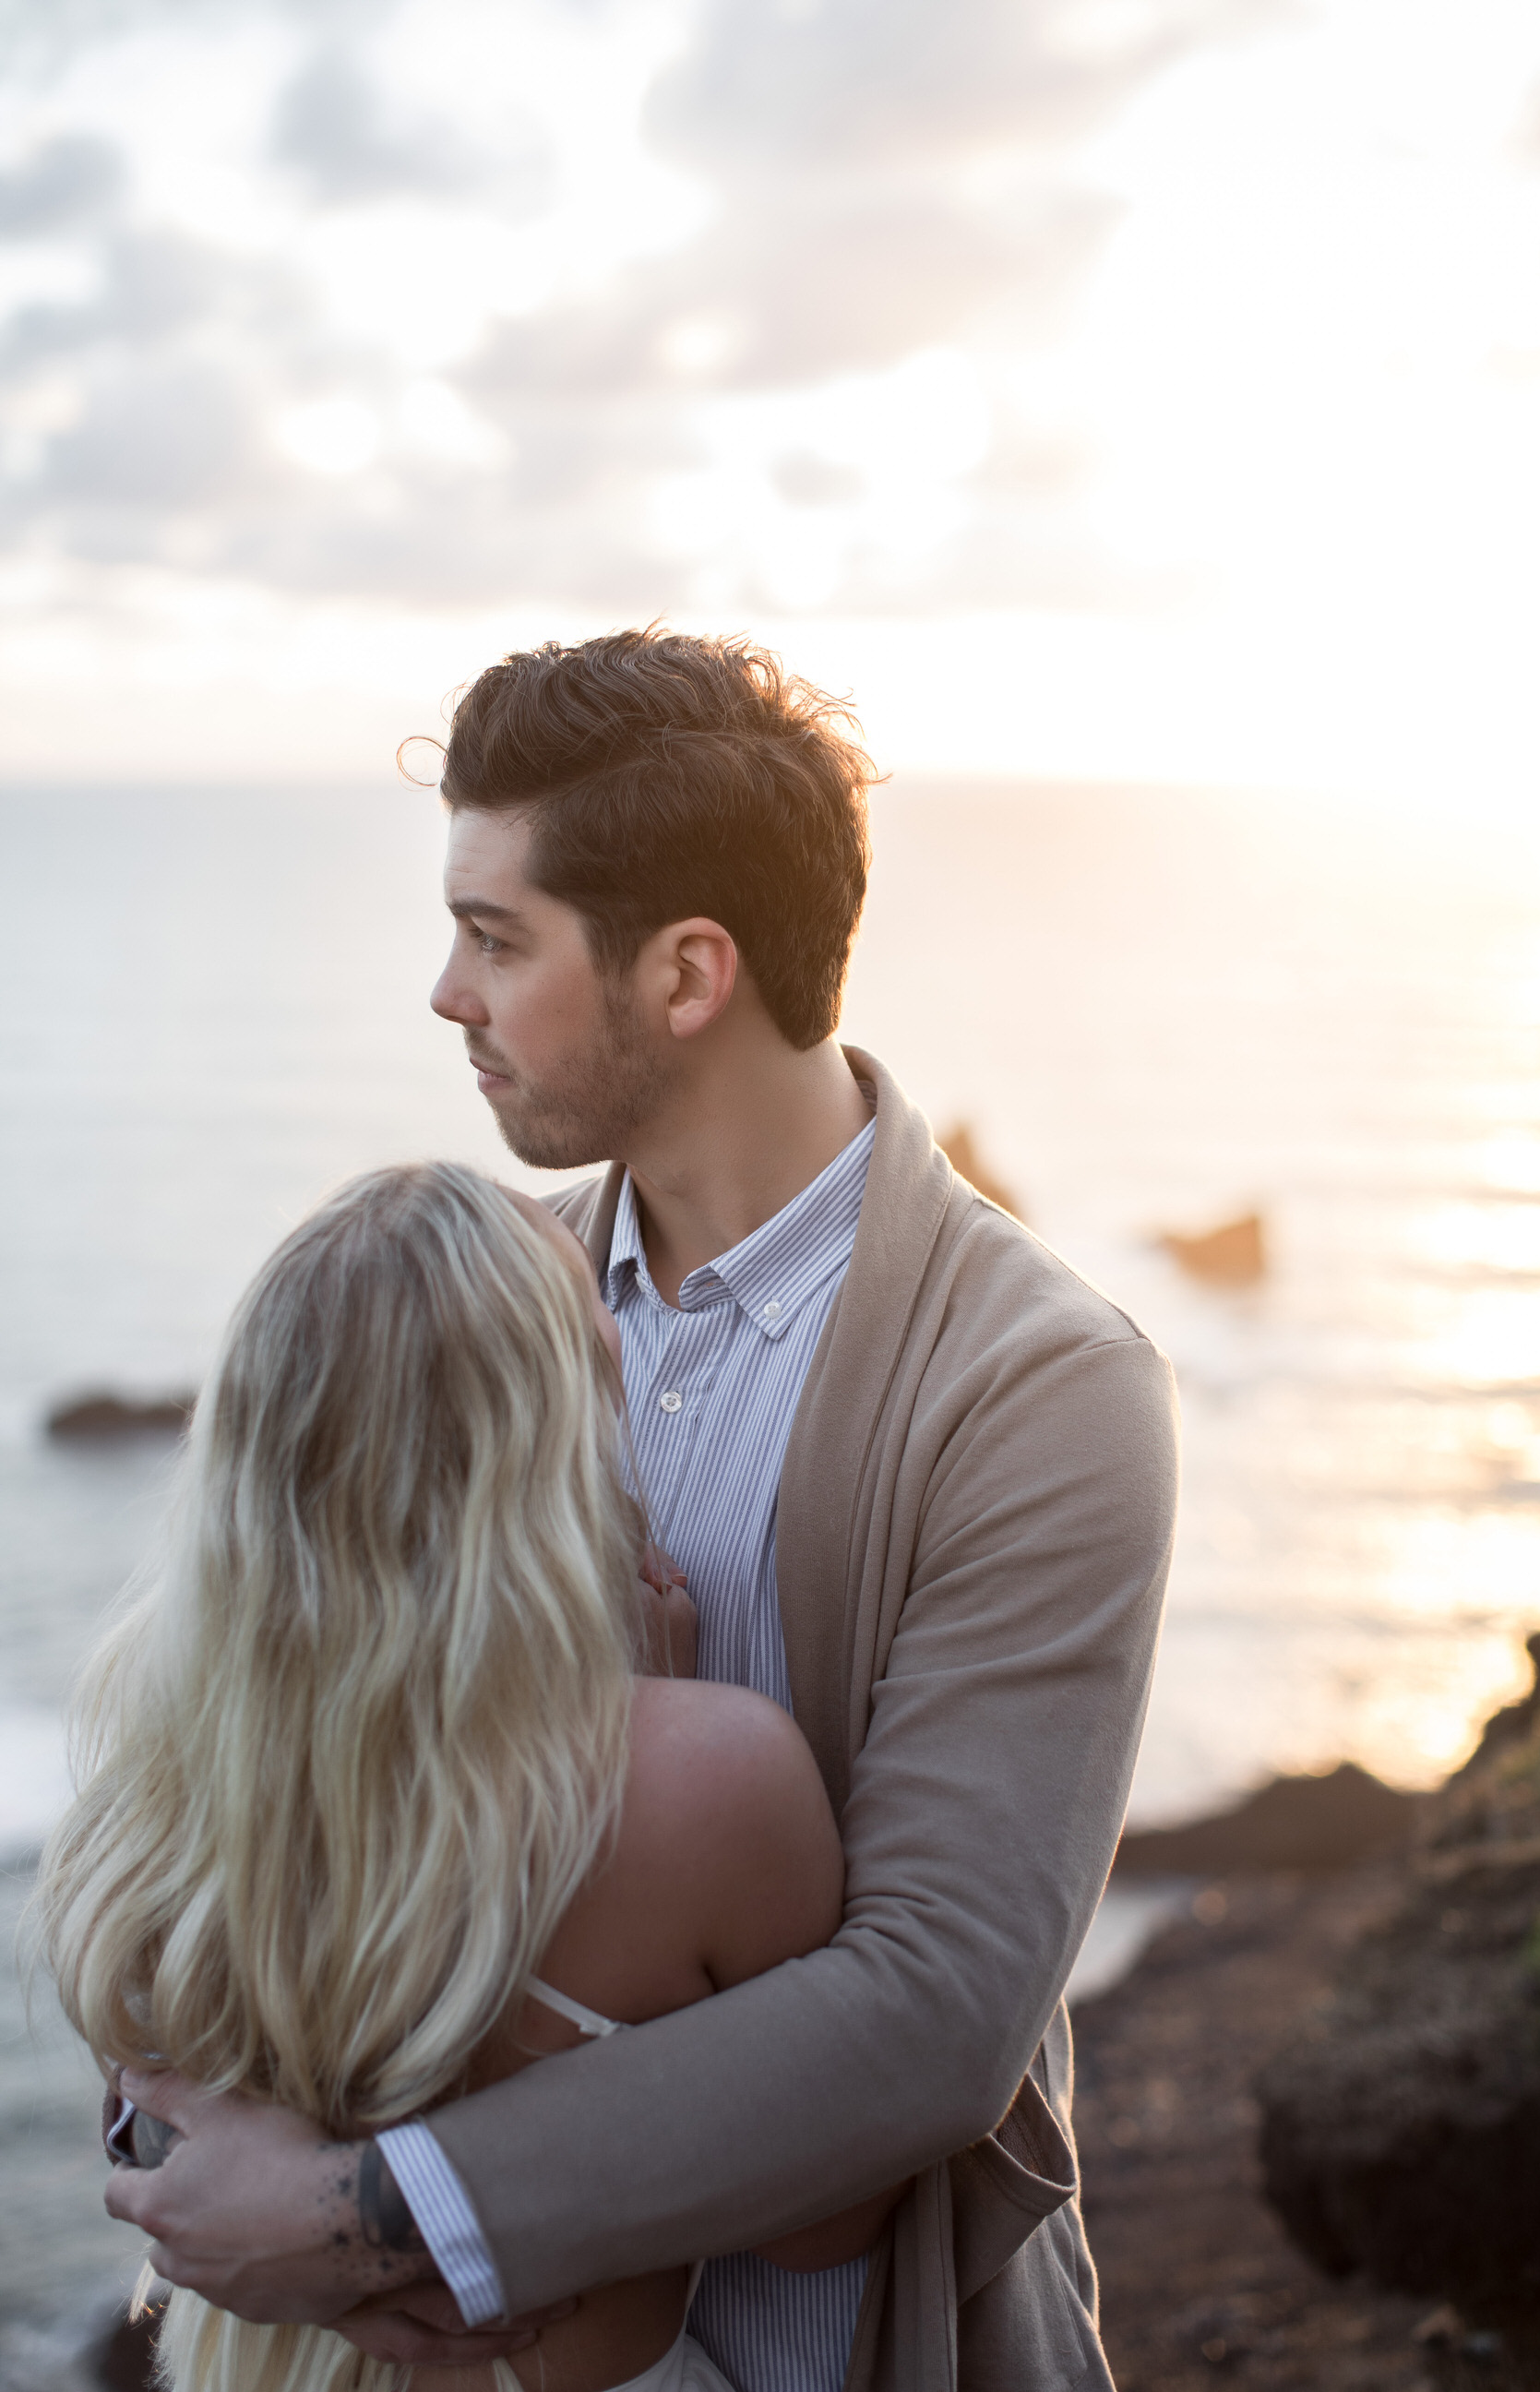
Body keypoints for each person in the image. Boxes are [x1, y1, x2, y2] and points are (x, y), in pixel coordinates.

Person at [100, 629, 1180, 2392]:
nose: (447, 992)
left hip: (845, 2336)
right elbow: (269, 1744)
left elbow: (936, 2014)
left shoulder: (1040, 1386)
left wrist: (371, 2208)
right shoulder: (482, 1310)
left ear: (688, 974)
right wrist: (170, 2124)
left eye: (495, 938)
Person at [37, 1161, 903, 2392]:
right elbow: (827, 2221)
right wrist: (660, 1706)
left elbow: (148, 2123)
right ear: (542, 1429)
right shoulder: (715, 1777)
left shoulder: (160, 1769)